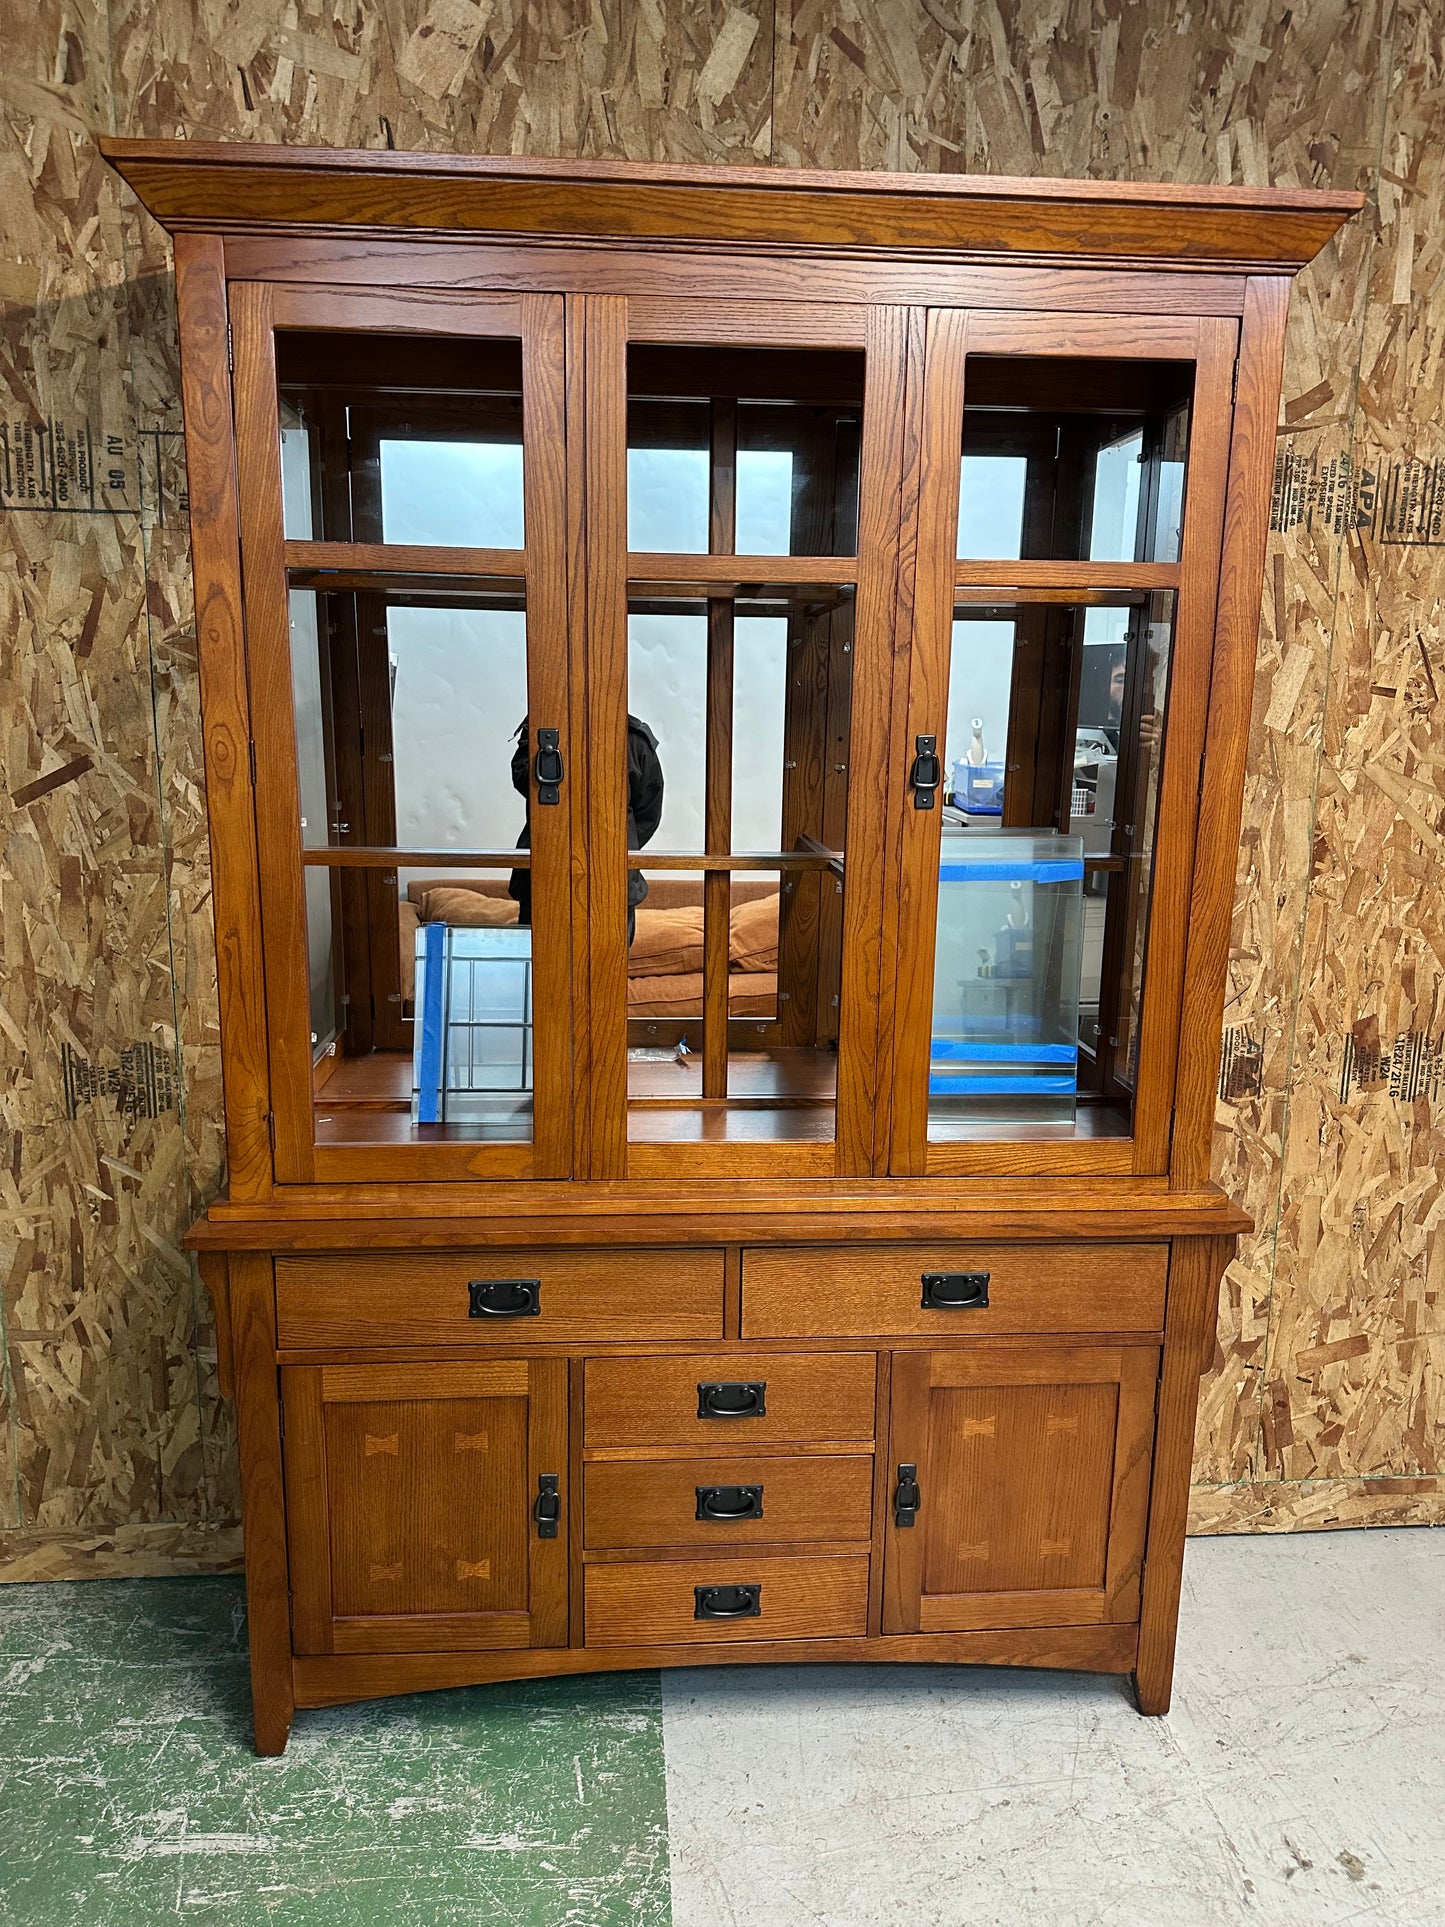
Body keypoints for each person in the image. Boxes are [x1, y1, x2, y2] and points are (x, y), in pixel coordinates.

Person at [509, 716, 664, 945]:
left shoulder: (632, 737)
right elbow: (524, 781)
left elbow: (647, 812)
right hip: (544, 878)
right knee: (537, 975)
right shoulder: (542, 726)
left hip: (612, 884)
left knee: (609, 974)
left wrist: (614, 845)